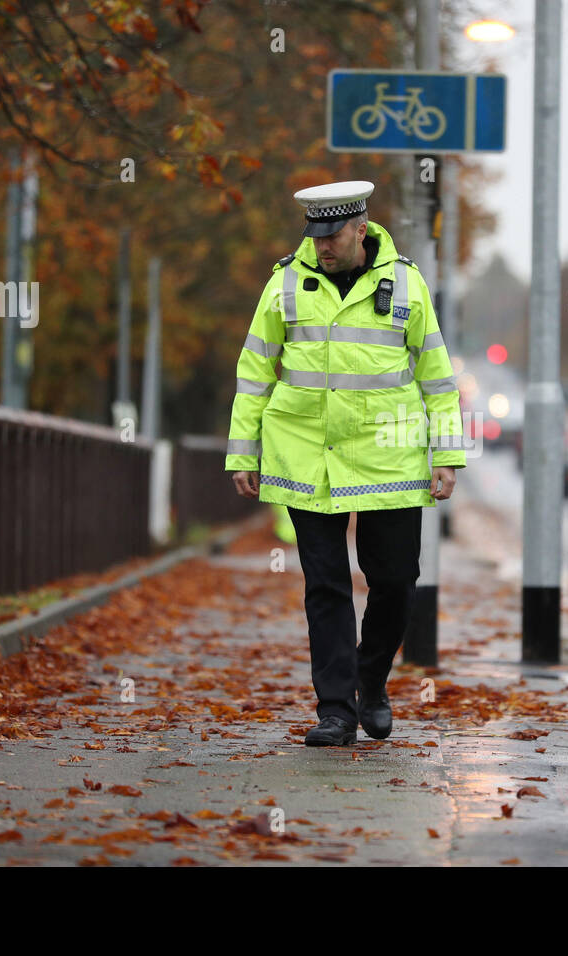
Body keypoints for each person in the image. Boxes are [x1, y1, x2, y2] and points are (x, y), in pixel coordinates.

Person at [226, 181, 466, 746]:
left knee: (395, 583)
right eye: (315, 235)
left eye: (332, 235)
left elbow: (437, 377)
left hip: (390, 459)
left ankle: (371, 680)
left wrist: (448, 454)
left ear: (361, 227)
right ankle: (335, 709)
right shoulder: (285, 282)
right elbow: (255, 371)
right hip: (308, 457)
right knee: (326, 586)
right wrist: (243, 451)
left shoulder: (405, 282)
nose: (323, 246)